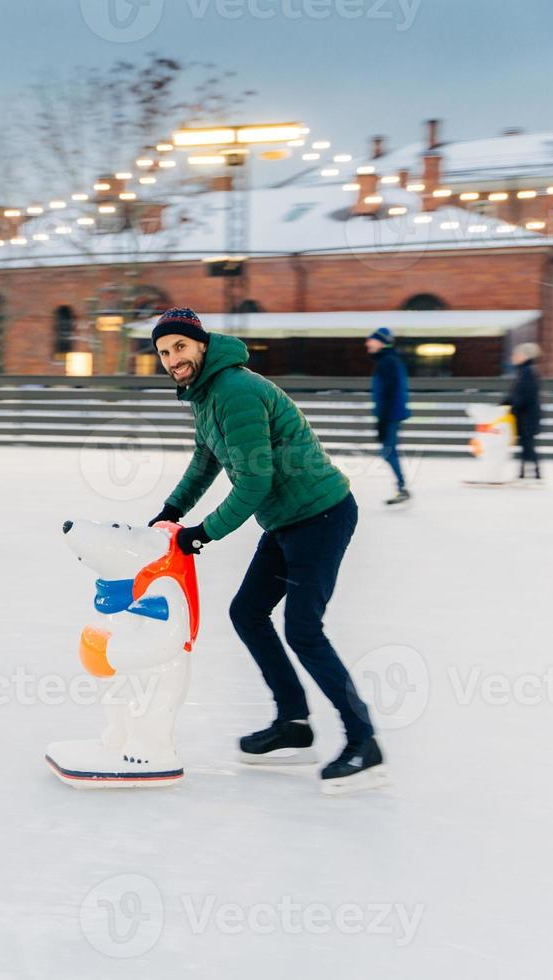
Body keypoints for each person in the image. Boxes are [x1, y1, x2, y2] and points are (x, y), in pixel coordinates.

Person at [145, 308, 384, 794]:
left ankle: (364, 742)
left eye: (180, 347)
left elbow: (254, 482)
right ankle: (294, 721)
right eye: (164, 352)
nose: (173, 359)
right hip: (286, 520)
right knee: (248, 612)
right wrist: (173, 508)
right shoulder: (206, 395)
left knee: (303, 629)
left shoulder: (233, 390)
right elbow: (206, 458)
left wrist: (200, 533)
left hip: (320, 514)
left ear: (202, 345)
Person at [366, 327, 411, 505]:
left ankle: (402, 487)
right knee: (388, 451)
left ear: (382, 342)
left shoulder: (388, 362)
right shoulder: (388, 360)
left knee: (388, 451)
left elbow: (389, 393)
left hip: (389, 415)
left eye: (371, 339)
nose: (367, 342)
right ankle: (401, 487)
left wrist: (383, 421)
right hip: (389, 414)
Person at [504, 342, 543, 484]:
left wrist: (512, 406)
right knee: (526, 444)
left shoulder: (527, 372)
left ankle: (534, 474)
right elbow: (515, 394)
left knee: (528, 444)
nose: (512, 357)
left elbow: (523, 395)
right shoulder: (524, 371)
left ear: (523, 356)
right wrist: (505, 404)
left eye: (515, 355)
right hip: (525, 414)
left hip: (527, 415)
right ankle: (526, 473)